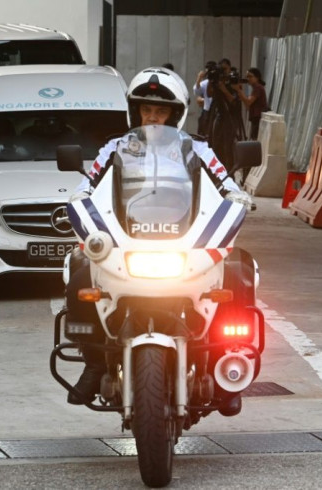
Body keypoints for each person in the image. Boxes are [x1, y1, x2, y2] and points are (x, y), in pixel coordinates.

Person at [65, 66, 250, 407]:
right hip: (129, 236)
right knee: (78, 266)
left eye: (160, 111)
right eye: (146, 110)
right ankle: (93, 362)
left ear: (175, 114)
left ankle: (227, 364)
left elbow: (229, 189)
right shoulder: (114, 148)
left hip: (182, 236)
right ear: (135, 112)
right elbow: (85, 189)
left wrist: (236, 206)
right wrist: (87, 218)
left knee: (237, 267)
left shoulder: (197, 149)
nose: (152, 117)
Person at [233, 67, 267, 140]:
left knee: (255, 139)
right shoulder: (255, 88)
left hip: (258, 118)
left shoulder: (258, 87)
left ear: (257, 78)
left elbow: (248, 102)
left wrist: (238, 90)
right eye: (247, 77)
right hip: (255, 118)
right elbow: (248, 105)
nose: (248, 79)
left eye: (250, 76)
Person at [193, 61, 216, 137]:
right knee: (204, 131)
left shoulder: (219, 82)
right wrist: (199, 78)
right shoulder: (205, 83)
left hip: (216, 111)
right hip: (207, 109)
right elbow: (196, 91)